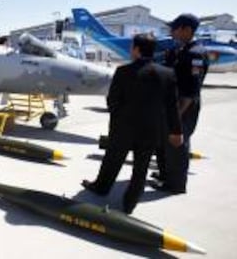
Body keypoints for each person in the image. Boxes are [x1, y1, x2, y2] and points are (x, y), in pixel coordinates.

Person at [82, 33, 182, 214]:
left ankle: (101, 187)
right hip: (151, 130)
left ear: (137, 49)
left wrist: (119, 119)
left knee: (112, 160)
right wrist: (176, 131)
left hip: (123, 128)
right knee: (141, 167)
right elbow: (171, 107)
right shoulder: (167, 74)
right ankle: (130, 203)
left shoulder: (123, 71)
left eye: (131, 47)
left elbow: (112, 101)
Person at [150, 14, 209, 193]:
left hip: (184, 105)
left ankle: (175, 185)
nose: (171, 31)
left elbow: (191, 89)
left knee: (177, 144)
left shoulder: (195, 54)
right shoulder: (182, 50)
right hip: (173, 103)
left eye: (175, 28)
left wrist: (177, 114)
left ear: (187, 30)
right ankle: (166, 175)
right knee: (165, 142)